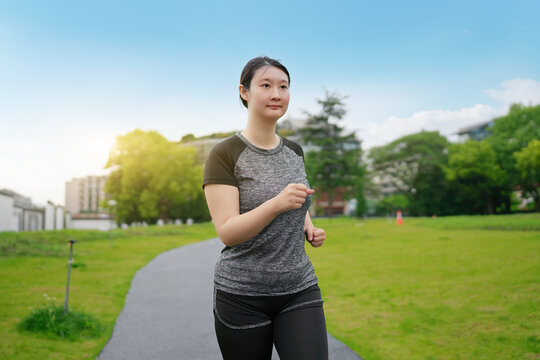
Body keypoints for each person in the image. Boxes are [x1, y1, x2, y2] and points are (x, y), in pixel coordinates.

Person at [202, 56, 329, 360]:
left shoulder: (295, 152)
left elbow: (295, 197)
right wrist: (276, 205)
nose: (277, 94)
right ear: (244, 91)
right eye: (266, 85)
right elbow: (228, 232)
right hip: (242, 295)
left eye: (283, 86)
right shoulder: (225, 153)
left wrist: (307, 224)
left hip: (299, 286)